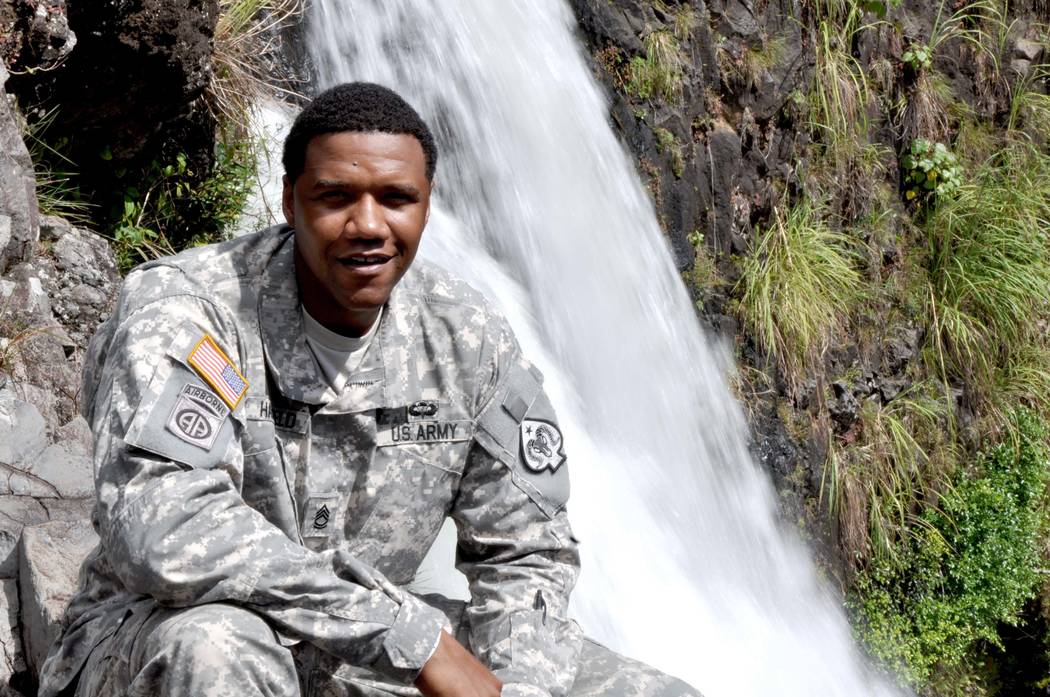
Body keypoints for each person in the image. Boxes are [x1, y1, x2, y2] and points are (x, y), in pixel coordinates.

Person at [37, 82, 701, 697]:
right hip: (168, 633)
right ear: (290, 199)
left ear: (427, 204)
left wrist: (521, 684)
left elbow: (525, 546)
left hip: (360, 660)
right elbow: (163, 523)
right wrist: (408, 636)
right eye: (335, 197)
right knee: (218, 647)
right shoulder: (191, 310)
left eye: (395, 198)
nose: (369, 225)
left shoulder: (466, 335)